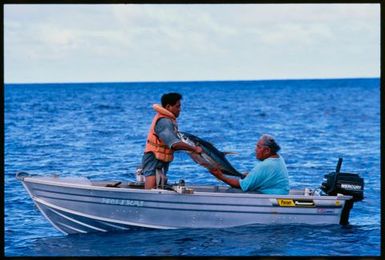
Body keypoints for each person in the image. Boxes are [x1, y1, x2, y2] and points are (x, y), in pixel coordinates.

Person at [142, 93, 202, 189]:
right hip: (153, 156)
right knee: (151, 185)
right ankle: (147, 200)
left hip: (161, 157)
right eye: (177, 106)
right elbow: (174, 144)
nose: (180, 109)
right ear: (168, 106)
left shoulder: (169, 120)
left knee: (160, 184)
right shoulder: (164, 121)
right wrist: (194, 149)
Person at [210, 134, 289, 194]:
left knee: (232, 191)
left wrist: (220, 176)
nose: (255, 150)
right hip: (280, 194)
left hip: (270, 195)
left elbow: (241, 185)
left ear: (267, 150)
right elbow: (266, 176)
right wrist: (250, 175)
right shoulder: (278, 159)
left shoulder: (265, 165)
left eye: (258, 147)